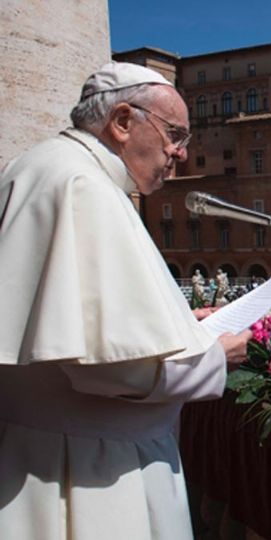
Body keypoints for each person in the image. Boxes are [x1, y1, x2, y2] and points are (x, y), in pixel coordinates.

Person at [0, 62, 252, 539]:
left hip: (40, 451)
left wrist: (182, 322)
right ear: (121, 121)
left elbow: (88, 323)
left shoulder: (38, 167)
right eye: (175, 135)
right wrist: (214, 356)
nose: (179, 154)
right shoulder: (84, 187)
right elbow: (109, 366)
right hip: (89, 475)